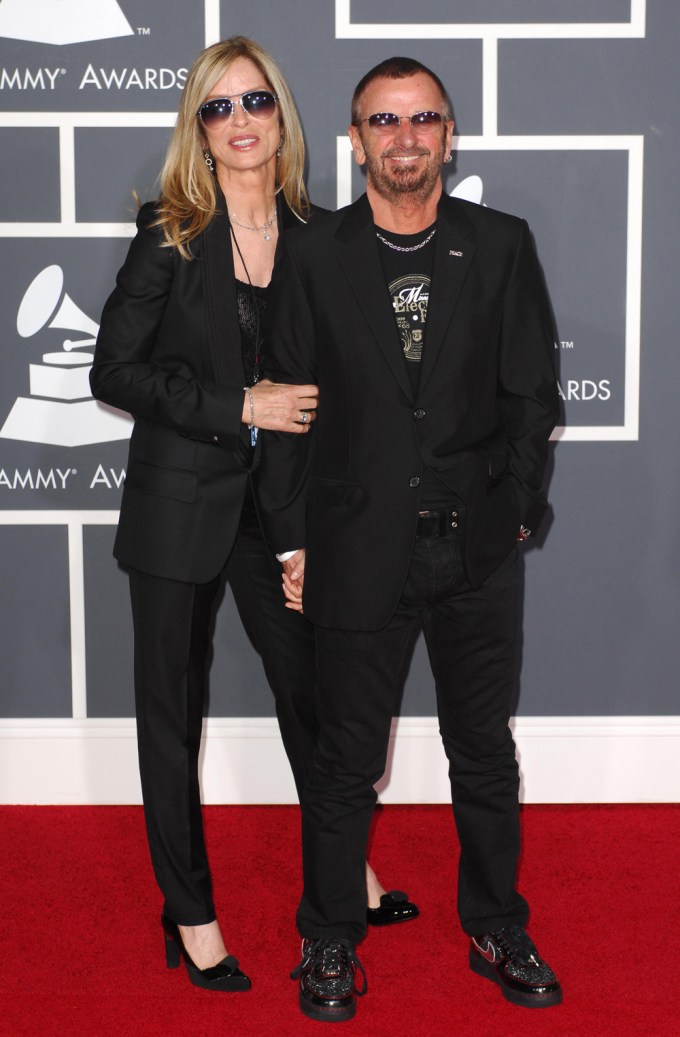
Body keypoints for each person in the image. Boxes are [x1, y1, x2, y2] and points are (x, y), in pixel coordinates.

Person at [90, 37, 417, 995]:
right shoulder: (171, 230)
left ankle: (340, 861)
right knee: (171, 719)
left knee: (315, 697)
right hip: (179, 508)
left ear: (282, 116)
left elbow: (345, 386)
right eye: (218, 108)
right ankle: (189, 913)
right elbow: (115, 370)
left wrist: (314, 524)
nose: (240, 122)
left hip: (286, 514)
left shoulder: (323, 235)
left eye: (255, 103)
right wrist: (240, 402)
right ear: (199, 127)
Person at [260, 56, 562, 1022]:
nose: (405, 138)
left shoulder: (501, 244)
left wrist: (515, 512)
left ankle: (497, 924)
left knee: (483, 751)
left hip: (476, 551)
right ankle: (329, 940)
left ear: (448, 133)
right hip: (356, 548)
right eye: (383, 122)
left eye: (422, 119)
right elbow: (290, 410)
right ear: (355, 142)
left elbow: (531, 399)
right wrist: (293, 542)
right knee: (347, 762)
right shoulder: (314, 255)